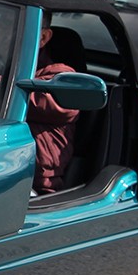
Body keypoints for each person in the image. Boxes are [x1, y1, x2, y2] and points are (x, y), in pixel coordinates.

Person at [24, 21, 80, 194]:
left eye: (12, 27)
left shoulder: (61, 77)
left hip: (36, 185)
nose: (3, 34)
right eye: (1, 25)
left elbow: (57, 100)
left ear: (43, 37)